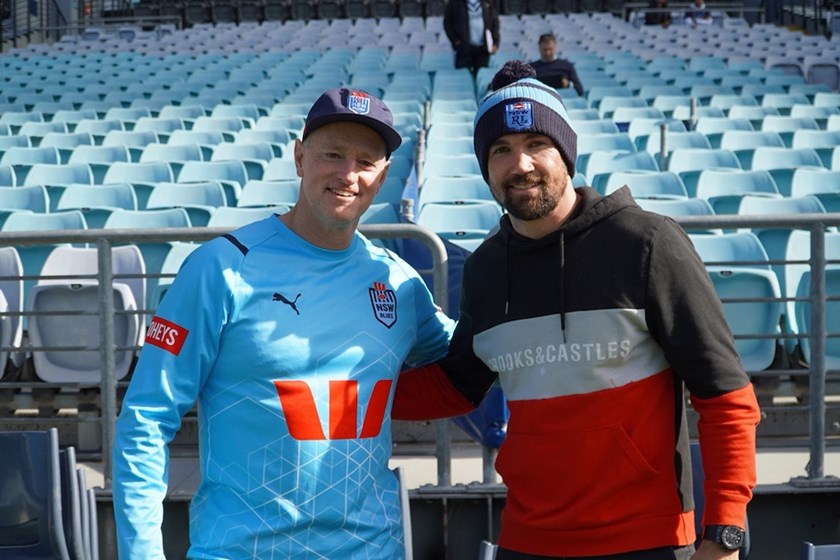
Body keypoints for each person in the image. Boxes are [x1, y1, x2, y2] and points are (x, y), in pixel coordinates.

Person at [393, 62, 761, 560]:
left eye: (536, 144)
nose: (519, 164)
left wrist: (725, 535)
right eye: (500, 150)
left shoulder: (648, 244)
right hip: (526, 541)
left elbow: (726, 398)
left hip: (646, 541)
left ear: (566, 153)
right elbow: (457, 386)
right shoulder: (484, 269)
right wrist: (345, 394)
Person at [112, 87, 455, 559]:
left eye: (365, 160)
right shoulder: (219, 269)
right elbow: (145, 421)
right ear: (299, 157)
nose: (347, 174)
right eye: (331, 154)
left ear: (384, 176)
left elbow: (477, 357)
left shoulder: (398, 282)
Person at [443, 0, 500, 76]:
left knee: (481, 76)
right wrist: (455, 40)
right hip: (464, 49)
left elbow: (494, 22)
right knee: (463, 77)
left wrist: (495, 43)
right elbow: (447, 22)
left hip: (483, 49)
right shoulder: (455, 2)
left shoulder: (487, 2)